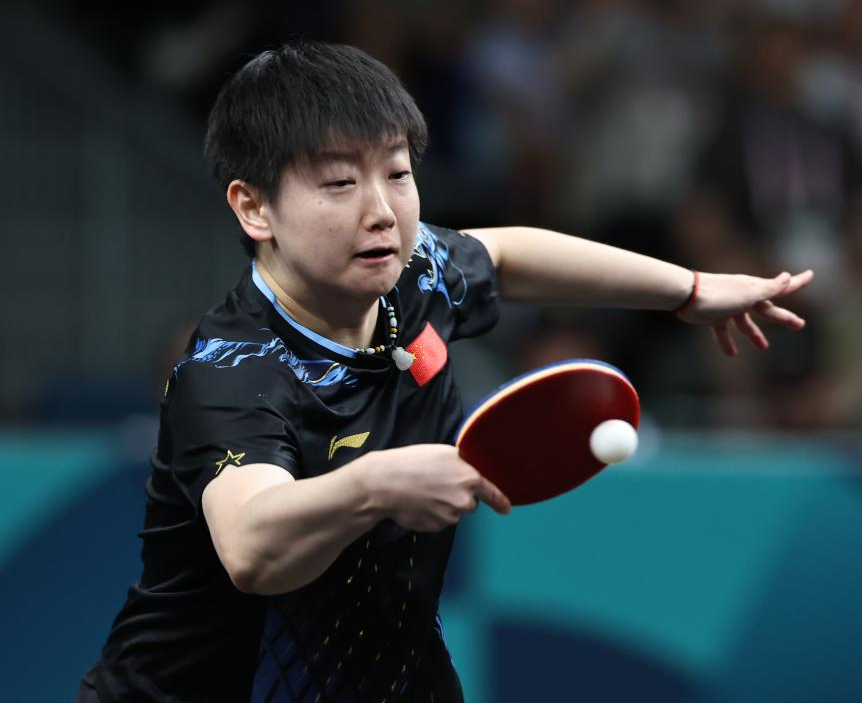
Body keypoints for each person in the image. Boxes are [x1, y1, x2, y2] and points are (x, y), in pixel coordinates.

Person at [77, 41, 813, 703]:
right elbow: (251, 545)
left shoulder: (413, 275)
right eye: (339, 183)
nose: (383, 212)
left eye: (397, 174)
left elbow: (507, 255)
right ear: (254, 208)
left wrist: (688, 289)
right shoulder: (231, 370)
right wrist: (374, 483)